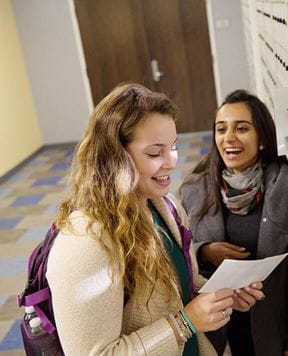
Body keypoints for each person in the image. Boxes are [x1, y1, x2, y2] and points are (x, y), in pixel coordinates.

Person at [46, 83, 264, 355]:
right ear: (113, 157)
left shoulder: (165, 207)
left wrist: (222, 295)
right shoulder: (84, 242)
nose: (172, 162)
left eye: (173, 147)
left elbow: (183, 284)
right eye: (154, 152)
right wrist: (185, 323)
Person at [180, 89, 288, 356]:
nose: (229, 138)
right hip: (218, 324)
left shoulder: (283, 185)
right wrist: (204, 250)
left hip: (267, 323)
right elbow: (178, 255)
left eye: (241, 128)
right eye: (221, 129)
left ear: (262, 138)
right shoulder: (195, 186)